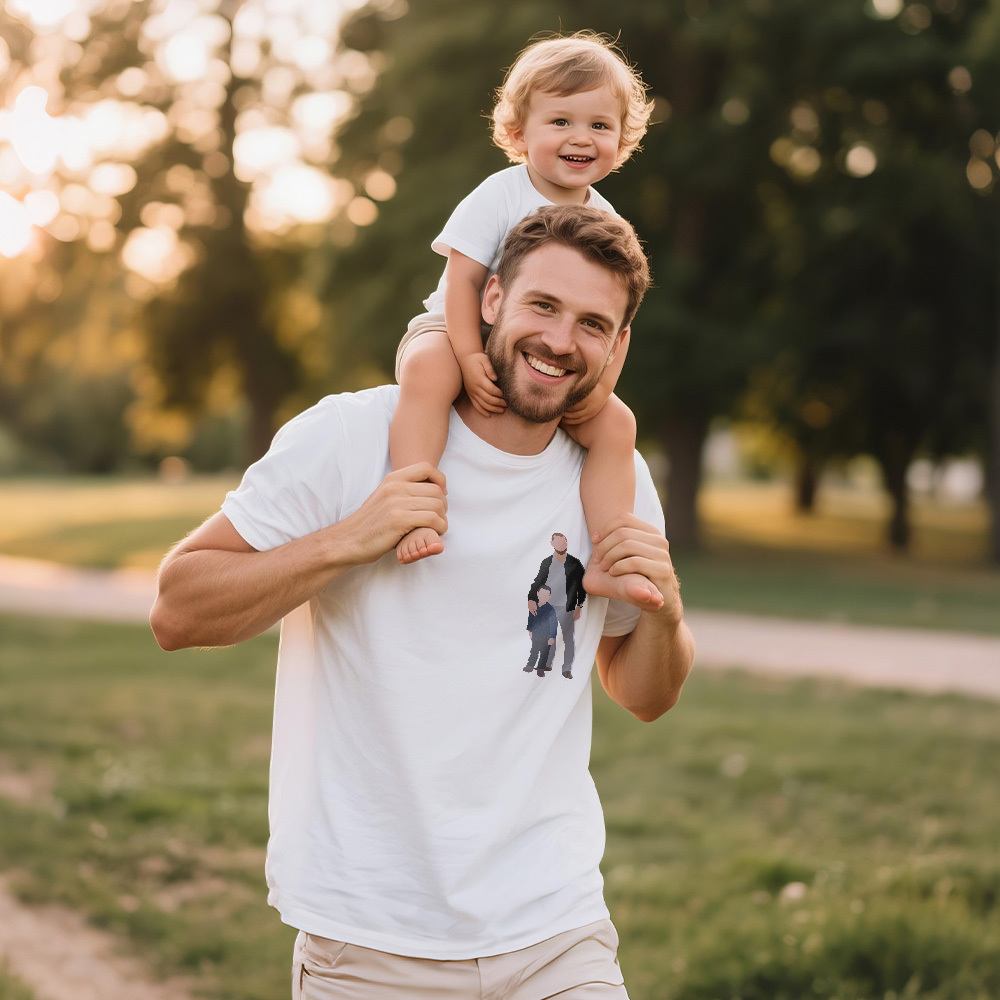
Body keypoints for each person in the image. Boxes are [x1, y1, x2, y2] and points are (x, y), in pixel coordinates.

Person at [150, 204, 695, 1000]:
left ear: (617, 346)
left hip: (556, 929)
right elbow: (177, 608)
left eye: (592, 323)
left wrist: (666, 613)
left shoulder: (615, 481)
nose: (559, 340)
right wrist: (349, 538)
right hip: (371, 944)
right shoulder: (351, 436)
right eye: (543, 305)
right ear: (490, 298)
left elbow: (644, 694)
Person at [390, 32, 663, 616]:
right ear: (519, 132)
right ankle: (412, 505)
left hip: (544, 359)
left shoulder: (606, 220)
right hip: (456, 328)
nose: (580, 138)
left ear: (622, 139)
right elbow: (465, 284)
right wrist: (468, 356)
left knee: (617, 426)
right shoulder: (498, 195)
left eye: (599, 125)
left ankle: (614, 555)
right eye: (560, 120)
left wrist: (600, 391)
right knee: (426, 372)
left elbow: (615, 319)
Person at [528, 532, 588, 679]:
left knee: (568, 638)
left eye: (564, 542)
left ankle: (567, 668)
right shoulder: (547, 563)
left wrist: (579, 605)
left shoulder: (575, 564)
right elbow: (538, 581)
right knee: (550, 636)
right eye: (558, 542)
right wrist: (531, 598)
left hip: (567, 607)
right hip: (549, 607)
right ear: (552, 544)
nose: (562, 545)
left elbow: (582, 586)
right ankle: (547, 664)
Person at [524, 584, 558, 677]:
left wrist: (552, 636)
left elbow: (554, 624)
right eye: (542, 594)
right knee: (534, 650)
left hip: (546, 635)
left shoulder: (550, 609)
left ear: (549, 597)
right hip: (536, 634)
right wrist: (530, 630)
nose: (543, 597)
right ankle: (530, 665)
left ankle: (540, 669)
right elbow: (531, 619)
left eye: (546, 595)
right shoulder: (534, 607)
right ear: (538, 594)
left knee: (544, 653)